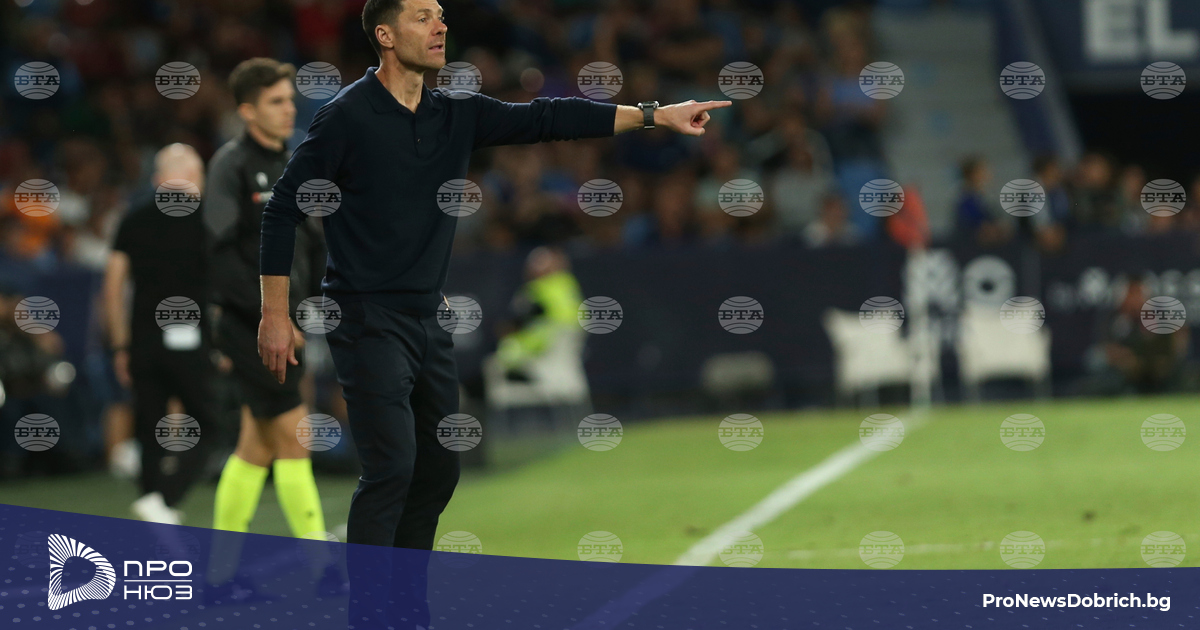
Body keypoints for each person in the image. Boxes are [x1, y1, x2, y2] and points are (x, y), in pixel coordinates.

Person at [256, 0, 729, 551]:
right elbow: (282, 209)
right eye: (422, 17)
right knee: (392, 469)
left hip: (428, 318)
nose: (441, 25)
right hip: (365, 317)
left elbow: (548, 118)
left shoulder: (456, 113)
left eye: (440, 14)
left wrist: (654, 115)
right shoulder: (347, 115)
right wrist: (275, 314)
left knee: (439, 471)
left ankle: (406, 596)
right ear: (384, 34)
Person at [205, 58, 329, 539]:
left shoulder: (293, 163)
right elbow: (218, 255)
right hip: (251, 327)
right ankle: (321, 562)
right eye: (275, 102)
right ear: (247, 111)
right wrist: (272, 316)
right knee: (296, 436)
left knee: (255, 446)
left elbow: (313, 244)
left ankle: (220, 569)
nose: (288, 109)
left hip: (288, 322)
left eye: (289, 100)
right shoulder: (230, 166)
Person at [104, 143, 215, 524]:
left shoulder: (133, 218)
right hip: (192, 339)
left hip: (142, 340)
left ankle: (151, 498)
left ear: (158, 179)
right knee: (209, 424)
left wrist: (120, 345)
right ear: (195, 177)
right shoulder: (210, 219)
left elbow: (113, 286)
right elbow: (225, 284)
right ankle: (165, 498)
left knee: (149, 425)